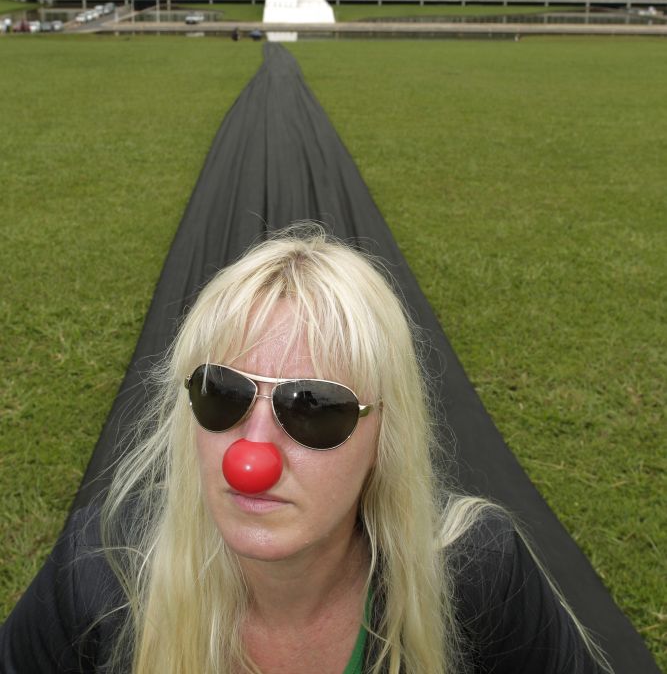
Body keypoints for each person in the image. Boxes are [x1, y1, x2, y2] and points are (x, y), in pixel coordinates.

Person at [0, 229, 609, 673]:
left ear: (384, 437)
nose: (254, 452)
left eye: (313, 407)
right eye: (223, 394)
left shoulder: (477, 572)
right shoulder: (98, 573)